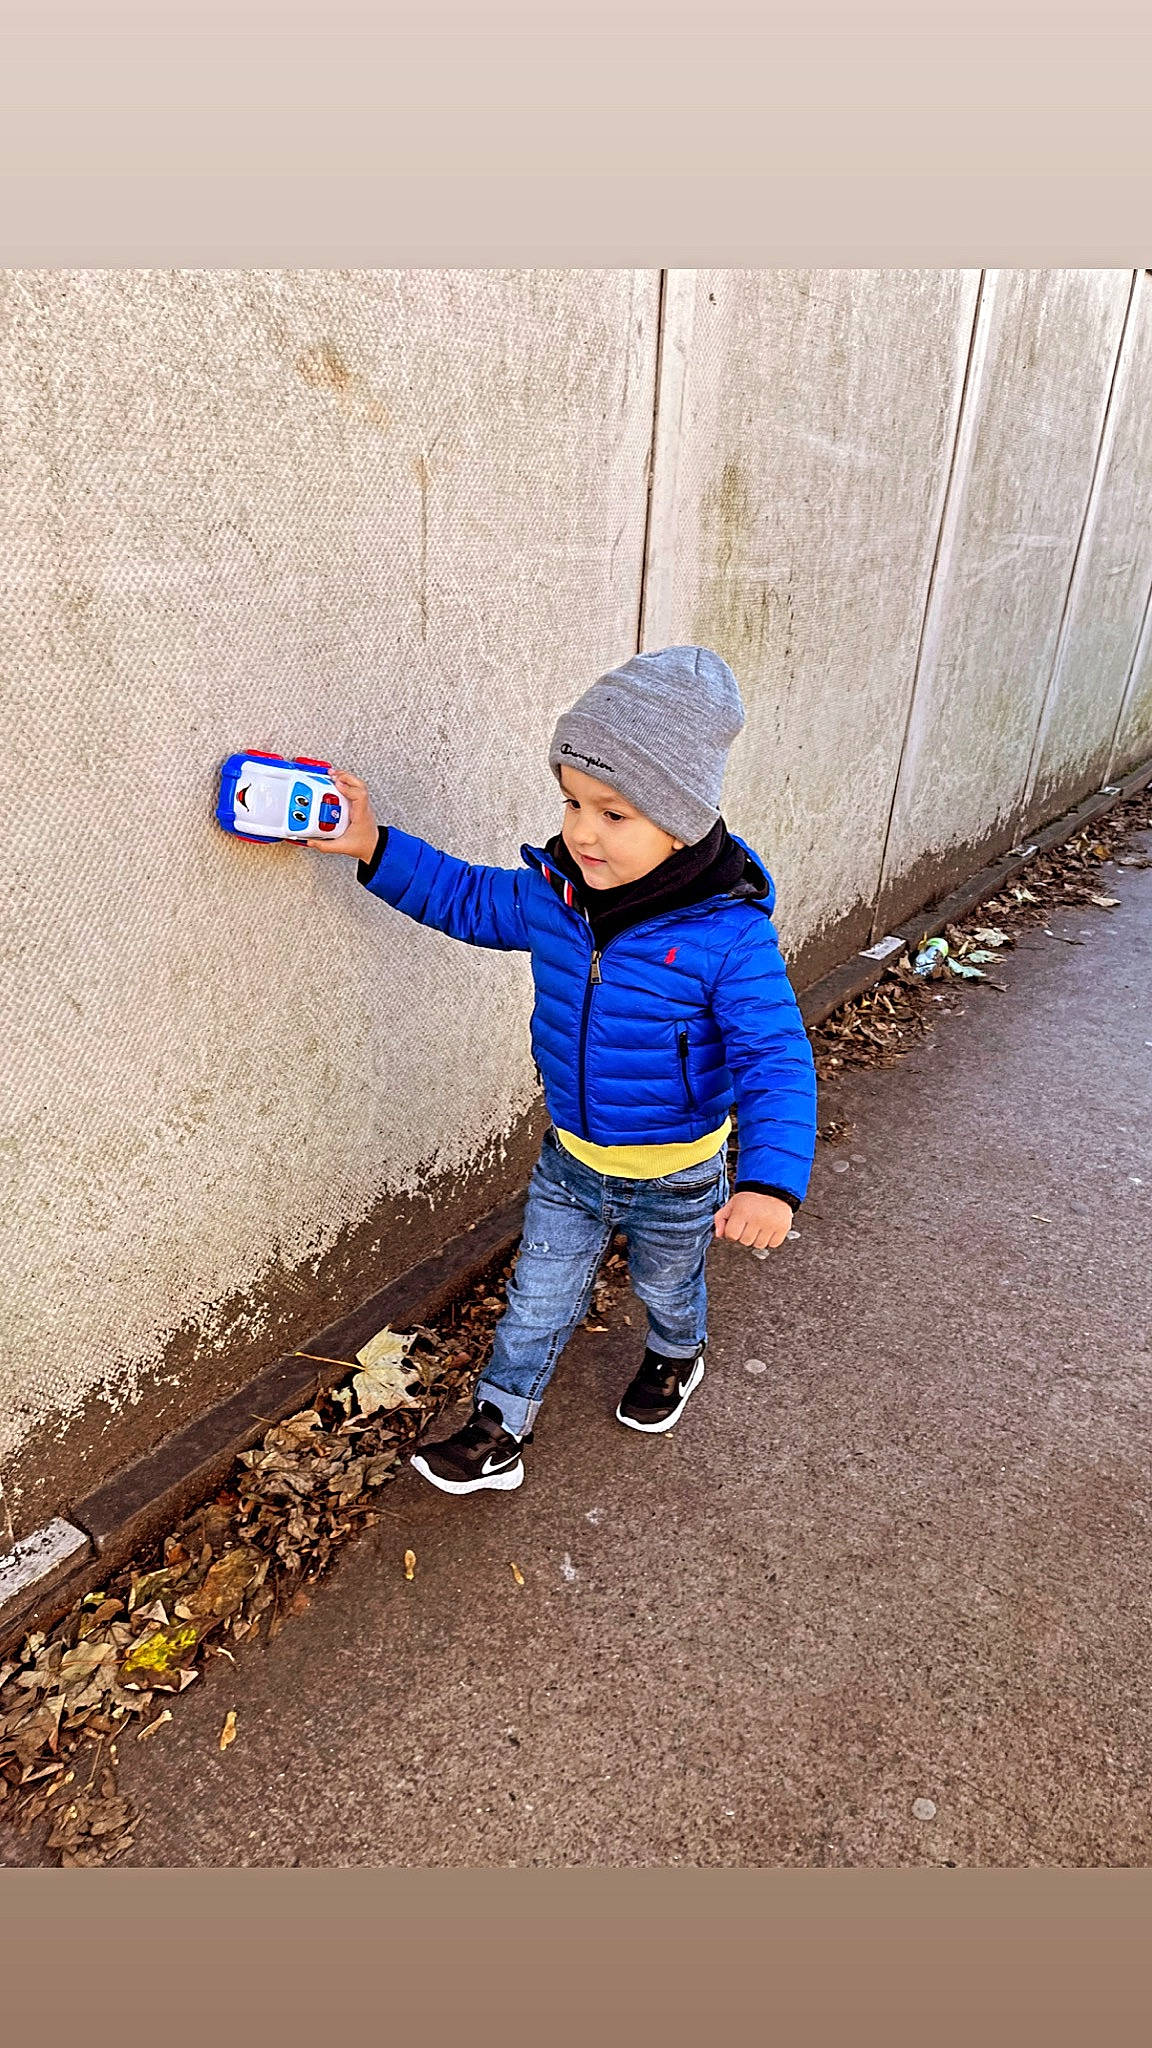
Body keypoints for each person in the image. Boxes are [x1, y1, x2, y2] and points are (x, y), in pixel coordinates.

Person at [306, 646, 817, 1496]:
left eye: (613, 813)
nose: (581, 831)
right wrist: (374, 846)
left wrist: (769, 1183)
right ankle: (497, 1428)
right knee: (537, 1299)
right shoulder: (556, 895)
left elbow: (775, 1058)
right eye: (572, 802)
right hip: (572, 1163)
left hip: (679, 1173)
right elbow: (466, 898)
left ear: (680, 819)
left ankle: (675, 1354)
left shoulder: (729, 939)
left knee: (668, 1283)